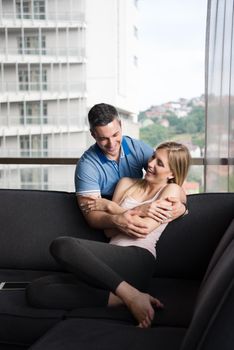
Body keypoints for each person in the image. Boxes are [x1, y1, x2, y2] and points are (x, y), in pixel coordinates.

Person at [26, 142, 191, 329]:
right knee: (37, 290)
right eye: (153, 157)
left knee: (62, 246)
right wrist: (134, 211)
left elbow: (142, 228)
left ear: (171, 173)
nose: (151, 164)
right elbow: (110, 230)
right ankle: (126, 297)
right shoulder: (126, 183)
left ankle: (131, 295)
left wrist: (111, 207)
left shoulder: (171, 191)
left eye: (160, 163)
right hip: (111, 263)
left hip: (138, 260)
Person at [75, 103, 187, 237]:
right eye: (104, 139)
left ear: (121, 125)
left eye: (115, 134)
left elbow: (167, 177)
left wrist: (182, 208)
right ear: (93, 135)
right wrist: (116, 218)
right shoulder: (87, 166)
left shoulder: (137, 149)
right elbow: (93, 218)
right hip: (106, 224)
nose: (111, 144)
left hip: (135, 216)